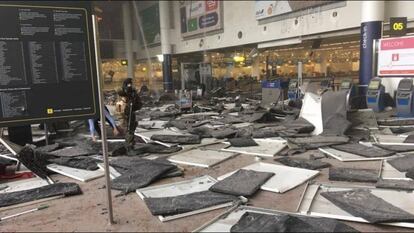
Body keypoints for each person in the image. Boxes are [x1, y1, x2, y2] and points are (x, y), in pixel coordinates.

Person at [118, 78, 142, 146]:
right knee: (126, 128)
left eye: (130, 84)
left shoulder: (133, 93)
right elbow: (119, 105)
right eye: (129, 84)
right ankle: (128, 143)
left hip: (131, 113)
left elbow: (139, 104)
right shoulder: (122, 92)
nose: (130, 85)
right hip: (124, 113)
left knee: (131, 128)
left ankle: (130, 142)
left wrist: (133, 104)